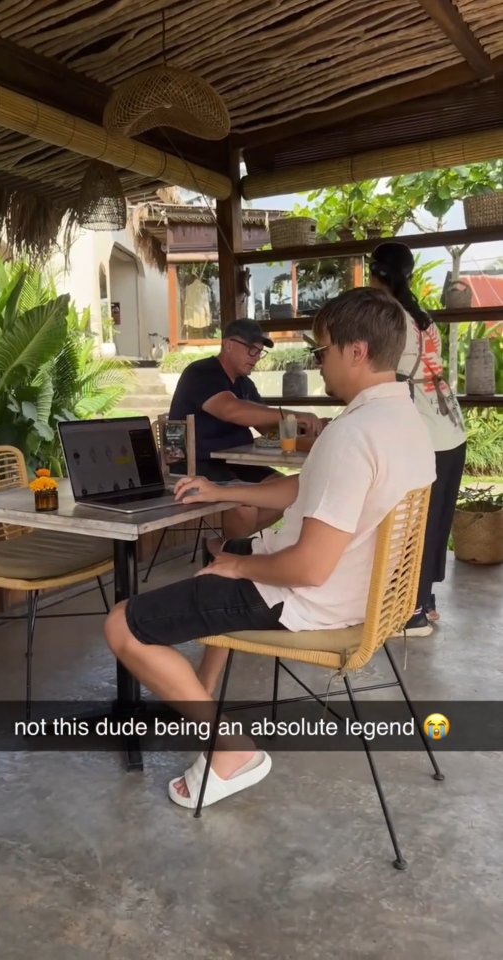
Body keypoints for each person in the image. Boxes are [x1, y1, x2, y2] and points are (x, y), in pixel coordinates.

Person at [105, 288, 435, 810]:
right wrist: (224, 492)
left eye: (321, 351)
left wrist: (238, 565)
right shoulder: (406, 423)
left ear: (356, 351)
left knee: (123, 623)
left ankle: (232, 750)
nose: (317, 363)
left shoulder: (353, 434)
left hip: (309, 601)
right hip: (367, 597)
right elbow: (306, 489)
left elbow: (307, 567)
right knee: (233, 549)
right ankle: (200, 693)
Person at [369, 242, 467, 635]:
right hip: (450, 428)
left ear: (376, 273)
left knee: (413, 525)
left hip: (425, 431)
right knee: (434, 523)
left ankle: (411, 614)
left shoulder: (389, 317)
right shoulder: (422, 317)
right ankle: (424, 602)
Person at [168, 318, 324, 539]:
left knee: (289, 491)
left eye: (260, 352)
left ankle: (228, 547)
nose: (257, 357)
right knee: (245, 504)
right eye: (251, 349)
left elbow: (265, 425)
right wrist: (294, 415)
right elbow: (232, 410)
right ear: (228, 344)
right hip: (194, 462)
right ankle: (232, 553)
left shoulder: (245, 384)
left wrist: (307, 431)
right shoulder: (201, 373)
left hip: (236, 462)